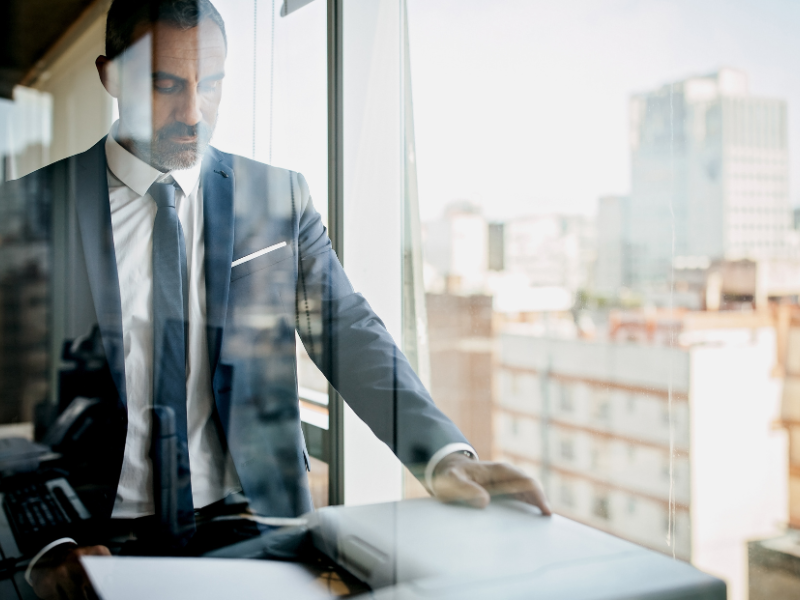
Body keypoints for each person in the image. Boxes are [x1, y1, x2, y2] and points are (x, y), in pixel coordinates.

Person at [10, 0, 550, 598]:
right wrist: (40, 544)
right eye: (165, 86)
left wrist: (443, 454)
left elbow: (344, 328)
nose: (193, 114)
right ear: (110, 76)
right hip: (86, 538)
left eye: (210, 85)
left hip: (253, 524)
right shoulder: (26, 210)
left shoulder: (278, 197)